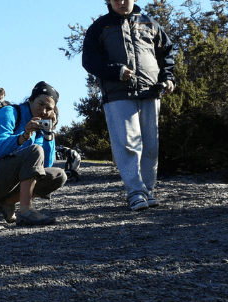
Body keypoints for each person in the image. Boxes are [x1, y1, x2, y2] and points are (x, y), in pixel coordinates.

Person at [82, 0, 175, 211]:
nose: (121, 2)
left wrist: (168, 78)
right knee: (128, 144)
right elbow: (90, 60)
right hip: (117, 94)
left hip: (151, 91)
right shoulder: (100, 27)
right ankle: (135, 193)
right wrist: (116, 70)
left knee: (151, 145)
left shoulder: (150, 23)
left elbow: (167, 52)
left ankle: (147, 192)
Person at [0, 81, 67, 226]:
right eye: (40, 104)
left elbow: (44, 166)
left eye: (49, 108)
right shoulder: (9, 113)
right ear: (31, 100)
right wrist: (24, 136)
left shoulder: (39, 126)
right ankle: (26, 211)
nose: (44, 111)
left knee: (58, 175)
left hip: (9, 180)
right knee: (35, 150)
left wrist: (48, 134)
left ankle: (6, 202)